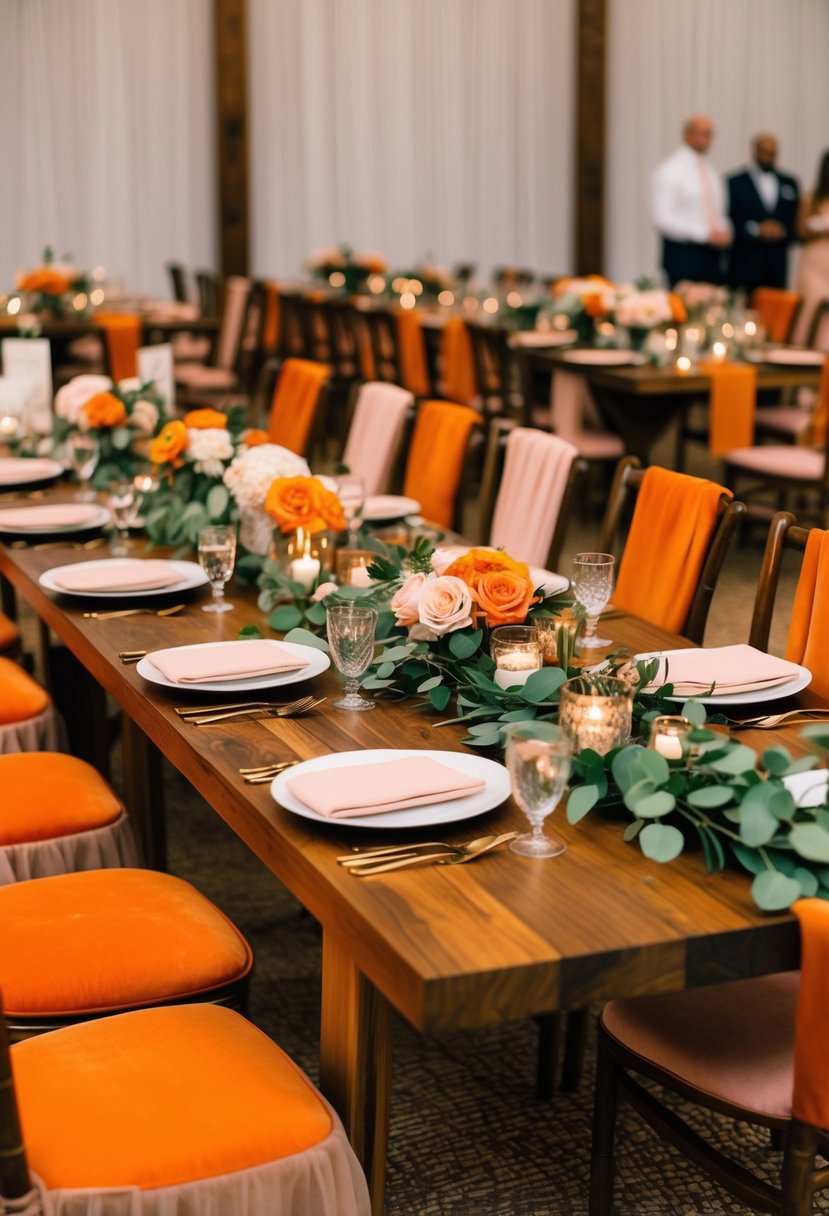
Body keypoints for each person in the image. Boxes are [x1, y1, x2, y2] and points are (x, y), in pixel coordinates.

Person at [651, 115, 731, 287]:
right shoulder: (670, 170)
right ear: (688, 135)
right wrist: (703, 234)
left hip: (712, 256)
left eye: (711, 134)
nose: (708, 139)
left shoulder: (710, 171)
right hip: (683, 255)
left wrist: (724, 229)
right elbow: (662, 218)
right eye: (704, 133)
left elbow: (717, 211)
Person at [727, 134, 799, 292]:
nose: (769, 157)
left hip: (777, 263)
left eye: (773, 153)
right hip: (745, 261)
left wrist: (782, 230)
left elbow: (795, 220)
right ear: (755, 151)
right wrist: (756, 229)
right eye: (765, 152)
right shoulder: (735, 182)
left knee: (776, 310)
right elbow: (729, 220)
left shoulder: (789, 182)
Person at [792, 148, 829, 345]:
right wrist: (820, 228)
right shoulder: (811, 198)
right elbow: (800, 231)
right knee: (813, 304)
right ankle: (807, 347)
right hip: (814, 260)